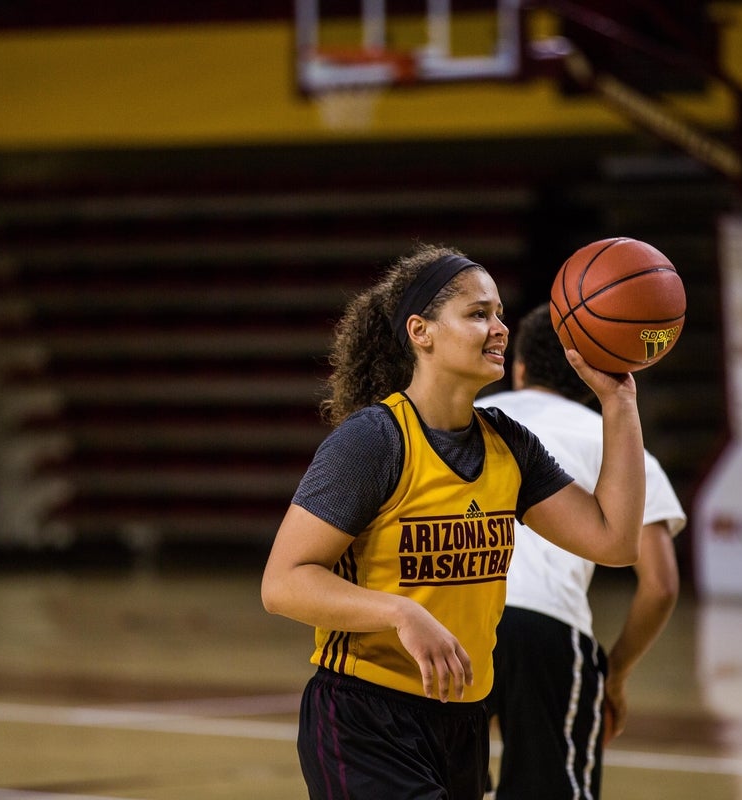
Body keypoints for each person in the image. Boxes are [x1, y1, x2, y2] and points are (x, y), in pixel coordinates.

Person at [260, 243, 647, 800]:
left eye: (500, 314)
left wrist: (619, 403)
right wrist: (400, 613)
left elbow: (614, 540)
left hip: (462, 722)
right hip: (365, 717)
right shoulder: (374, 441)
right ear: (422, 331)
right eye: (478, 314)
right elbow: (283, 582)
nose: (499, 329)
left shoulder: (508, 444)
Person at [479, 303, 687, 800]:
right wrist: (613, 675)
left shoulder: (475, 419)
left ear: (520, 367)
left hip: (453, 618)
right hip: (548, 628)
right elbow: (660, 586)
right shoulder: (623, 445)